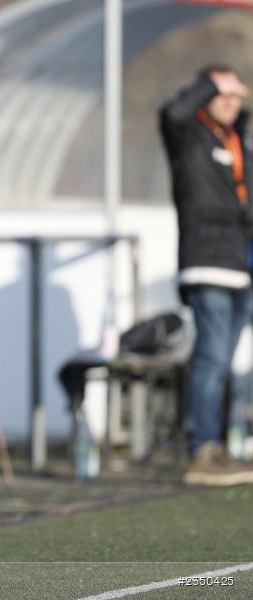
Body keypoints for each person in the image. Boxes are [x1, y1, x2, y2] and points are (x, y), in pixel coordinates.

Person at [160, 65, 253, 485]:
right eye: (221, 94)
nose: (231, 101)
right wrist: (212, 83)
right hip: (208, 261)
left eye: (237, 95)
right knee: (212, 358)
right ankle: (202, 450)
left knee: (225, 360)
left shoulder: (238, 141)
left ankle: (217, 446)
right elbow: (174, 112)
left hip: (241, 266)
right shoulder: (189, 135)